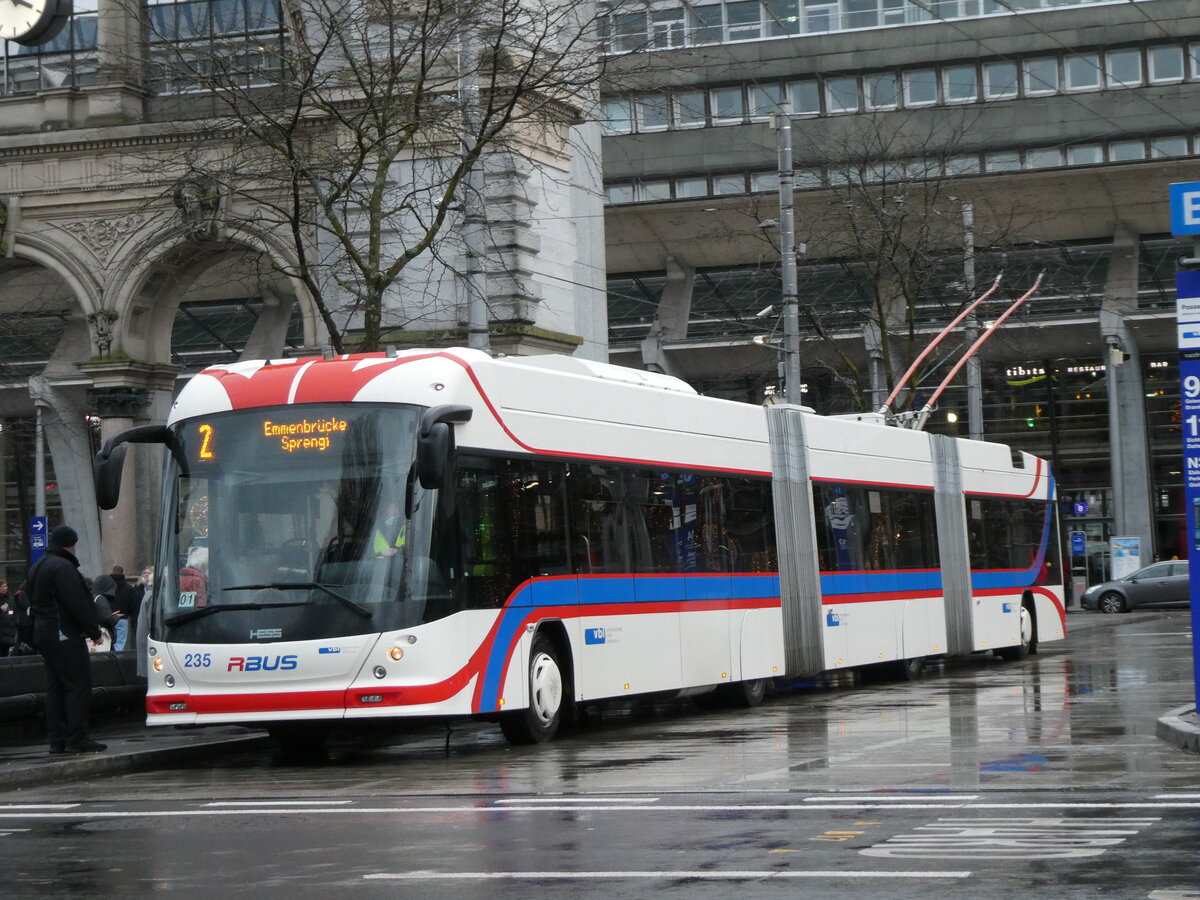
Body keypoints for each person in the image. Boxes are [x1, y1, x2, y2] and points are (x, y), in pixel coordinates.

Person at [26, 525, 106, 754]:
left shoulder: (38, 565)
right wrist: (93, 631)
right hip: (64, 634)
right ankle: (76, 737)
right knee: (78, 684)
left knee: (56, 687)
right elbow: (76, 603)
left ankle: (57, 739)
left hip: (44, 634)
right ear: (72, 543)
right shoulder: (63, 567)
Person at [90, 574, 123, 653]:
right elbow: (106, 619)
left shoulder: (91, 596)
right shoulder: (101, 599)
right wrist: (115, 616)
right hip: (101, 636)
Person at [109, 566, 138, 651]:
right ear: (123, 573)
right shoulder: (129, 588)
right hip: (122, 617)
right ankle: (117, 659)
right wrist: (127, 613)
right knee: (120, 642)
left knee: (108, 639)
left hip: (108, 616)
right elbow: (133, 604)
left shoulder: (107, 586)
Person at [134, 565, 153, 678]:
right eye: (145, 572)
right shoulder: (151, 595)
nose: (146, 574)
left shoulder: (149, 593)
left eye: (148, 572)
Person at [0, 583, 16, 658]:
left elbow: (14, 610)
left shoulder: (10, 598)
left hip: (8, 627)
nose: (4, 588)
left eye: (5, 586)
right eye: (2, 586)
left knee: (5, 651)